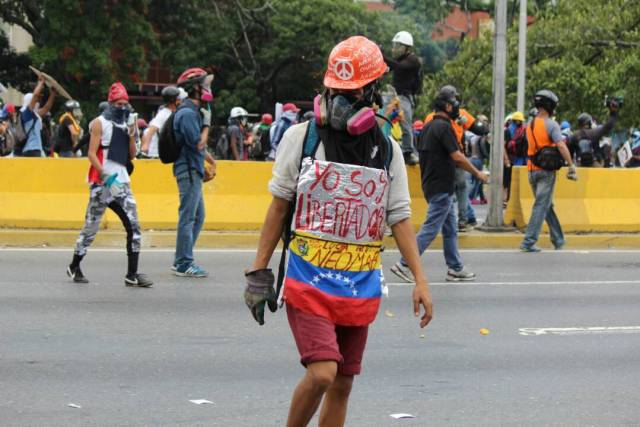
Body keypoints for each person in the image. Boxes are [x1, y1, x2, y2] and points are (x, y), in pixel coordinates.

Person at [243, 36, 433, 427]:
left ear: (372, 92)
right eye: (337, 90)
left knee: (343, 382)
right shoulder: (302, 138)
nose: (344, 98)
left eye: (354, 91)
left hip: (358, 281)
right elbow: (278, 206)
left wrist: (420, 279)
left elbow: (398, 217)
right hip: (307, 278)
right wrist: (258, 272)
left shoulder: (386, 148)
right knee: (323, 372)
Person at [391, 85, 488, 283]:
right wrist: (477, 172)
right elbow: (457, 156)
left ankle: (455, 267)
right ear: (446, 106)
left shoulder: (428, 126)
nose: (457, 108)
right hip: (441, 185)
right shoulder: (444, 127)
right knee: (431, 228)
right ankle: (404, 263)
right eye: (454, 104)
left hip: (432, 184)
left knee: (450, 228)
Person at [67, 82, 153, 287]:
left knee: (134, 225)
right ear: (111, 103)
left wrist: (132, 134)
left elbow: (131, 155)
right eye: (119, 103)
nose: (123, 107)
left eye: (126, 103)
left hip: (122, 181)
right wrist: (107, 177)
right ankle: (74, 265)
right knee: (91, 226)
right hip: (102, 183)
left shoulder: (128, 124)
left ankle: (132, 274)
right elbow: (90, 154)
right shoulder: (99, 123)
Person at [172, 67, 217, 277]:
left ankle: (184, 256)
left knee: (198, 216)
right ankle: (183, 262)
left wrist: (210, 161)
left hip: (194, 169)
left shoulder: (192, 111)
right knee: (188, 216)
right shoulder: (188, 113)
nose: (208, 88)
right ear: (196, 88)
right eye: (205, 85)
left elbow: (200, 148)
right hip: (188, 170)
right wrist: (207, 124)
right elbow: (197, 143)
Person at [423, 86, 488, 231]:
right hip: (454, 156)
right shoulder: (459, 115)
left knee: (450, 191)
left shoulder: (430, 117)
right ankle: (463, 220)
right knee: (459, 188)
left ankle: (461, 219)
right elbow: (480, 129)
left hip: (437, 160)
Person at [519, 90, 577, 253]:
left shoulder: (529, 124)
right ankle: (528, 242)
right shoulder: (551, 124)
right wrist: (571, 165)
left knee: (546, 205)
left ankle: (558, 240)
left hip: (531, 171)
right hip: (546, 172)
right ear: (549, 105)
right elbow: (561, 145)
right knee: (541, 205)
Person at [383, 31, 422, 165]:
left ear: (406, 48)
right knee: (382, 116)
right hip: (395, 95)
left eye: (398, 46)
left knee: (405, 124)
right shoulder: (401, 59)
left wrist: (381, 55)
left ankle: (408, 152)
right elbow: (389, 67)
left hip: (404, 97)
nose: (395, 49)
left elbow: (398, 67)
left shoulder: (412, 60)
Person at [569, 102, 619, 168]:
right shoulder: (593, 133)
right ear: (588, 123)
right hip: (593, 165)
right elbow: (608, 126)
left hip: (579, 166)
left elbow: (570, 151)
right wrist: (613, 113)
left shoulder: (573, 136)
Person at [140, 86, 184, 158]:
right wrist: (146, 145)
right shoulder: (164, 114)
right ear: (173, 101)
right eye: (179, 99)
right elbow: (152, 129)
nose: (181, 101)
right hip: (156, 154)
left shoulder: (172, 113)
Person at [17, 77, 57, 157]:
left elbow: (46, 108)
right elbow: (35, 95)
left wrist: (53, 94)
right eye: (36, 101)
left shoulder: (33, 114)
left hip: (34, 150)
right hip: (32, 150)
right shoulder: (27, 113)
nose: (37, 102)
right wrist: (41, 83)